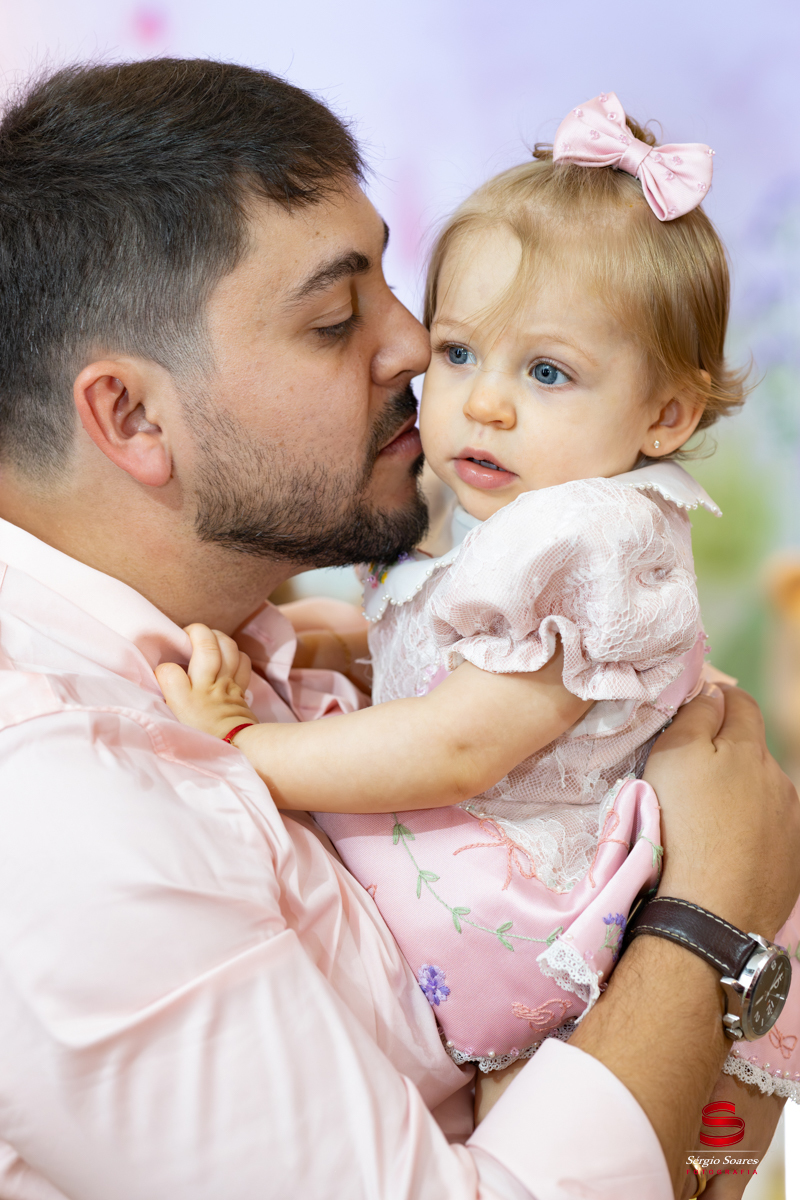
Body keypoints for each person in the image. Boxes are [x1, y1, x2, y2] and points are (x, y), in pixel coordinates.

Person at [0, 59, 797, 1200]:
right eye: (335, 320)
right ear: (131, 414)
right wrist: (712, 918)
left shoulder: (248, 641)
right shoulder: (56, 801)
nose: (417, 350)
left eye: (392, 284)